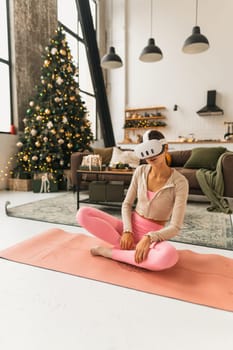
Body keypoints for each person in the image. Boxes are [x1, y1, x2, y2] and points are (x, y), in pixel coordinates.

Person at [76, 130, 189, 271]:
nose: (150, 156)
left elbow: (175, 227)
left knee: (169, 256)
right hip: (127, 228)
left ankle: (109, 252)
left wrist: (149, 238)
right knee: (83, 213)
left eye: (153, 149)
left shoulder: (180, 182)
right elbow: (127, 204)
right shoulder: (140, 171)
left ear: (165, 148)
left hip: (153, 237)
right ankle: (129, 248)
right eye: (145, 150)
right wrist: (127, 231)